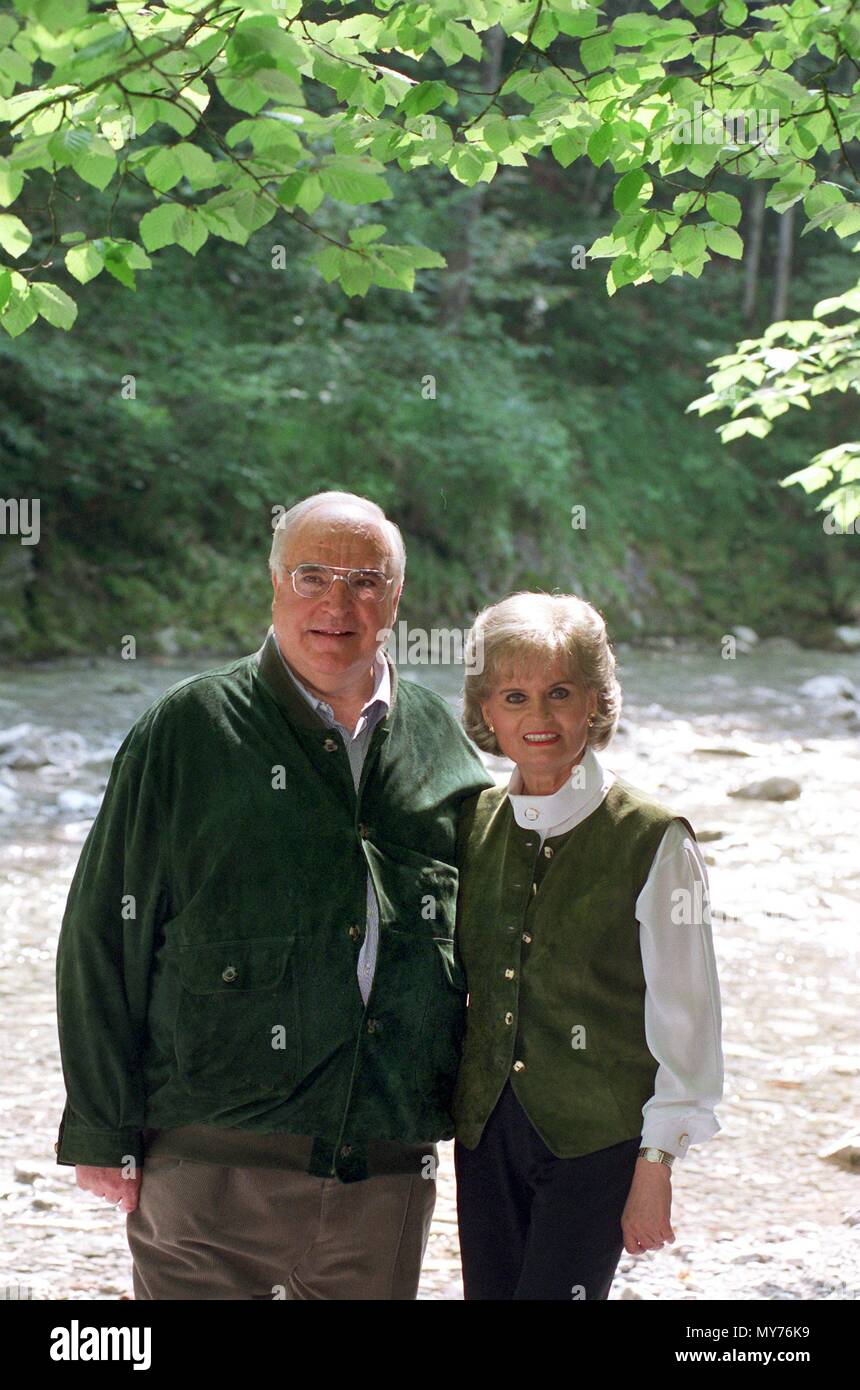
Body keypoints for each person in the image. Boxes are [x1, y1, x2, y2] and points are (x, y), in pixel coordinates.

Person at [54, 489, 493, 1300]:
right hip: (208, 1164)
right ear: (273, 585)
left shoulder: (442, 743)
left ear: (396, 598)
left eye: (365, 580)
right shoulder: (188, 731)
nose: (338, 603)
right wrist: (100, 1129)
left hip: (381, 1172)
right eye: (312, 576)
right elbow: (101, 933)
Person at [452, 591, 724, 1300]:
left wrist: (656, 1164)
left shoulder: (655, 839)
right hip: (485, 1136)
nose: (537, 719)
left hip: (597, 1145)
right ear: (486, 709)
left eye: (560, 693)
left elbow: (687, 1020)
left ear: (597, 703)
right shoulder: (470, 825)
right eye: (514, 696)